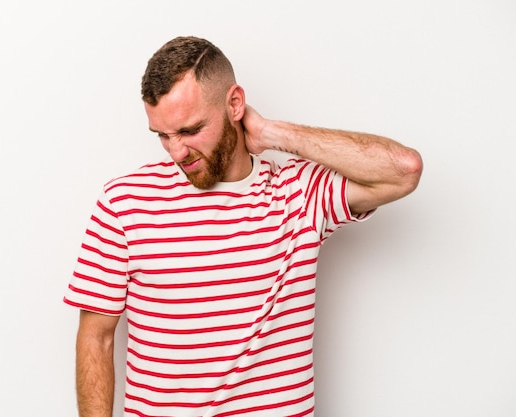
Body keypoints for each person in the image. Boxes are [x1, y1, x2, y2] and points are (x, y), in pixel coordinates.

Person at [63, 36, 422, 417]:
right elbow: (96, 339)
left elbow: (402, 171)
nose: (175, 151)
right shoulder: (125, 202)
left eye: (189, 130)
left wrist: (270, 133)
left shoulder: (298, 194)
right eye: (163, 136)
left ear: (234, 104)